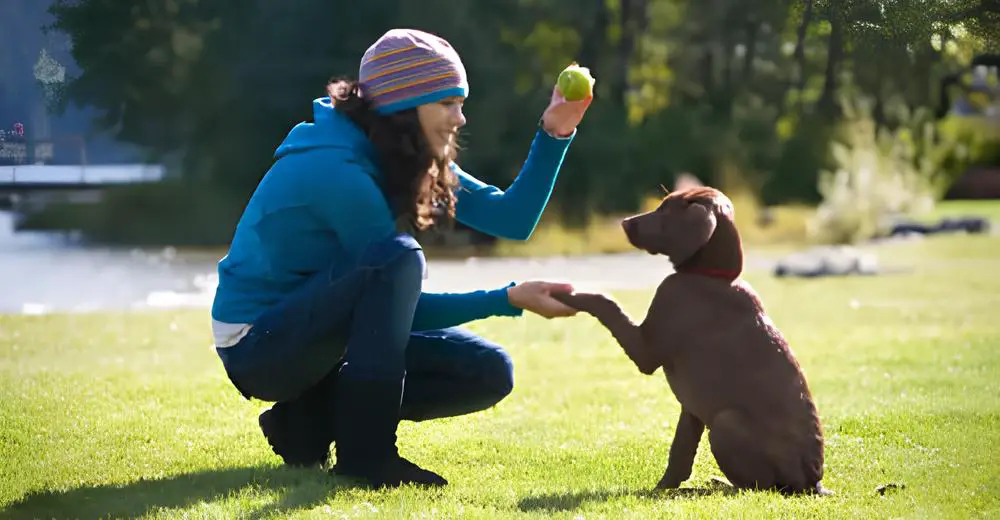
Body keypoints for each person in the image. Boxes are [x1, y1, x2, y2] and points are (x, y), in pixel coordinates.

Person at [210, 28, 592, 489]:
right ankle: (366, 457)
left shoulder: (405, 150)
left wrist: (557, 130)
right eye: (447, 103)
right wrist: (505, 298)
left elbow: (511, 219)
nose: (461, 118)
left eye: (460, 102)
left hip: (321, 334)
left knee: (487, 372)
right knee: (398, 259)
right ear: (403, 108)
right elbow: (399, 306)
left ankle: (306, 424)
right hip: (259, 345)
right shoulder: (338, 170)